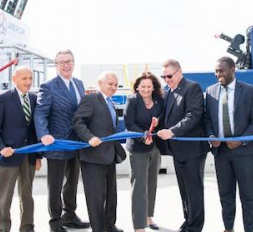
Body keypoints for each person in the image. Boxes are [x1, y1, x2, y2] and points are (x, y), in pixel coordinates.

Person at [204, 57, 253, 232]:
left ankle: (248, 229)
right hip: (221, 152)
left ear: (232, 69)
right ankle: (228, 228)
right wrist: (211, 135)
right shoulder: (211, 91)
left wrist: (241, 139)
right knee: (225, 195)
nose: (218, 74)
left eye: (221, 71)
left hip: (244, 152)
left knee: (247, 196)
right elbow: (207, 119)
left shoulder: (250, 91)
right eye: (216, 71)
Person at [34, 50, 90, 232]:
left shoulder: (79, 84)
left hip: (76, 143)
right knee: (55, 184)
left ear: (74, 63)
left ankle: (70, 215)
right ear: (56, 65)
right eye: (62, 62)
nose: (66, 65)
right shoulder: (48, 86)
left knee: (72, 182)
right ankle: (55, 221)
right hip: (56, 143)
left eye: (69, 61)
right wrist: (43, 134)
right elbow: (40, 113)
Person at [156, 59, 209, 232]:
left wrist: (172, 131)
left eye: (169, 75)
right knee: (184, 190)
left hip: (192, 150)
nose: (166, 79)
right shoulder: (169, 91)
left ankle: (195, 226)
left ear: (179, 72)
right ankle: (188, 220)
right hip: (177, 150)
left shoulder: (191, 88)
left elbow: (193, 116)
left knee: (194, 190)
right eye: (163, 76)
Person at [0, 66, 41, 232]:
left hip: (29, 156)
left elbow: (35, 130)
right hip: (8, 156)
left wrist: (38, 155)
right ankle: (2, 229)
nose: (28, 82)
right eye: (24, 78)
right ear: (15, 79)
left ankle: (27, 227)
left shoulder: (34, 99)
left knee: (27, 196)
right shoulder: (3, 99)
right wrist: (1, 148)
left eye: (30, 78)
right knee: (4, 198)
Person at [73, 71, 124, 232]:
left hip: (109, 155)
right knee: (96, 197)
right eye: (110, 84)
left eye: (116, 85)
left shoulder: (111, 102)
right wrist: (89, 138)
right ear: (100, 83)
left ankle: (109, 225)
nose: (113, 87)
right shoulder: (91, 99)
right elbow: (78, 122)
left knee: (111, 194)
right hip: (93, 157)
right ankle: (98, 228)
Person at [124, 72, 164, 232]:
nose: (146, 90)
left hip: (155, 147)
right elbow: (129, 123)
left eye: (149, 86)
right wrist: (143, 136)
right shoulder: (132, 100)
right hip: (138, 148)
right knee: (139, 186)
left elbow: (164, 117)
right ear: (137, 87)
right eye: (143, 87)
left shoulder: (159, 100)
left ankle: (148, 217)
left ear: (153, 87)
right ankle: (139, 225)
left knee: (152, 184)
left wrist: (159, 121)